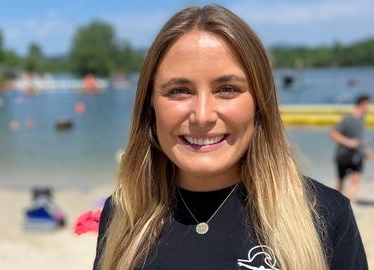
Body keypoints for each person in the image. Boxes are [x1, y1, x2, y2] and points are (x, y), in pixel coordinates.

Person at [94, 5, 367, 270]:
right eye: (179, 90)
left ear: (260, 102)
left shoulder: (326, 215)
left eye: (227, 89)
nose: (202, 116)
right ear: (150, 105)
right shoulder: (123, 214)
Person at [330, 95, 372, 200]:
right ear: (363, 104)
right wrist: (349, 142)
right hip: (344, 155)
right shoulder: (347, 119)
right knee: (341, 181)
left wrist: (367, 150)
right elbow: (333, 134)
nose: (369, 107)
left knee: (356, 179)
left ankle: (348, 203)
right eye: (369, 104)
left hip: (358, 155)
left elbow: (360, 138)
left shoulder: (362, 119)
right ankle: (338, 201)